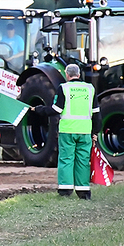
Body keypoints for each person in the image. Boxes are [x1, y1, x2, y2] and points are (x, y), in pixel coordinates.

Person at [30, 64, 101, 199]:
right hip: (85, 131)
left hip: (68, 131)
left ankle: (65, 190)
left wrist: (38, 109)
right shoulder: (90, 89)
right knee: (83, 160)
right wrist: (95, 132)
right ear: (79, 75)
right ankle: (83, 192)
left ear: (67, 75)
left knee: (66, 159)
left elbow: (56, 110)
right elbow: (96, 113)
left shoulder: (64, 88)